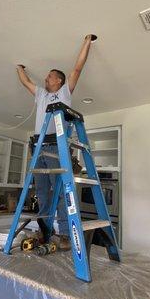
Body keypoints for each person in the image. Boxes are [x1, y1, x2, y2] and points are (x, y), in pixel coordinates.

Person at [16, 34, 95, 250]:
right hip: (38, 146)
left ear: (59, 80)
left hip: (55, 146)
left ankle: (65, 235)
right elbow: (26, 83)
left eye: (50, 76)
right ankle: (45, 230)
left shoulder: (64, 93)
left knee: (59, 191)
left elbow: (77, 69)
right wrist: (19, 67)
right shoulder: (41, 94)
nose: (46, 78)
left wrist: (87, 41)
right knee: (41, 192)